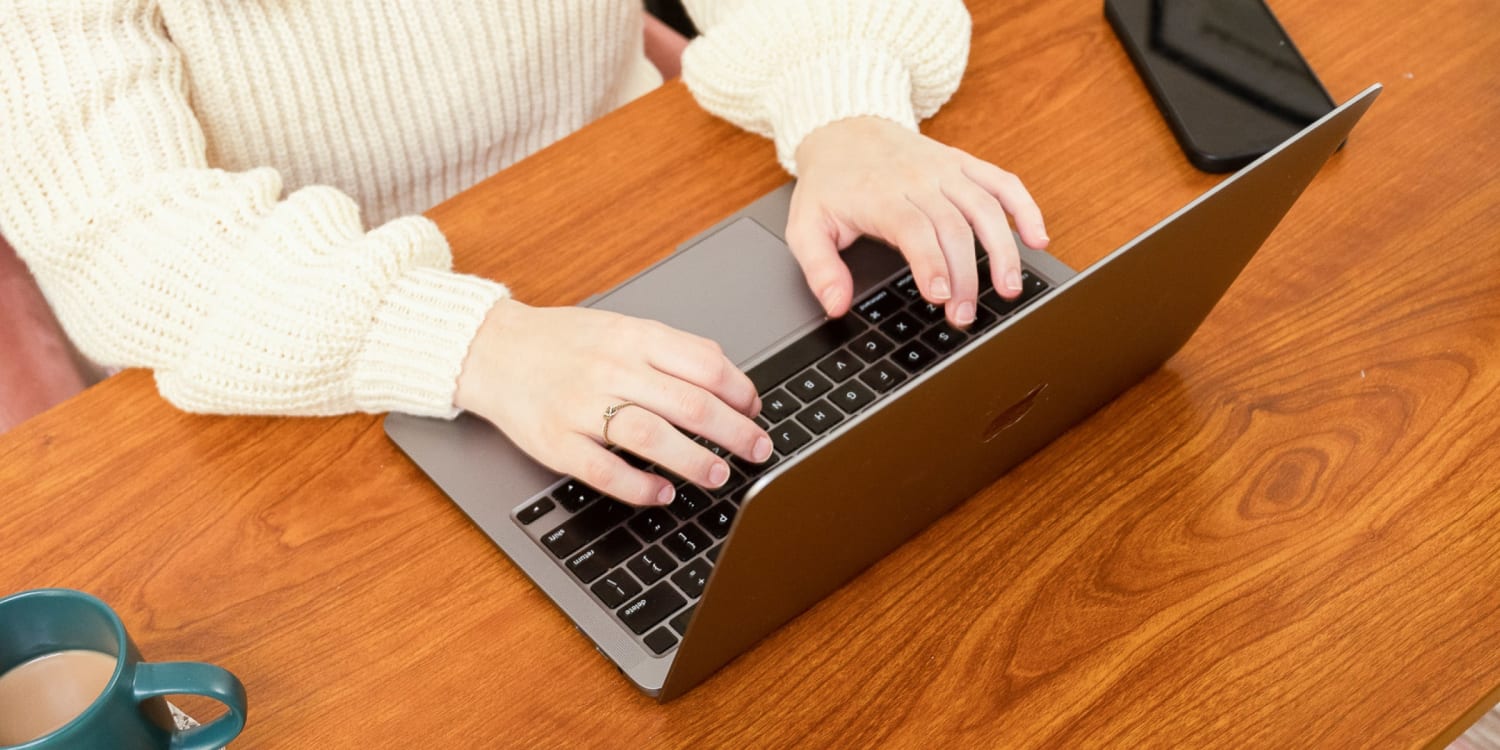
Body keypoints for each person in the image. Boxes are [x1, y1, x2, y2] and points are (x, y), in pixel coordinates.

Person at [0, 1, 1048, 507]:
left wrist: (844, 103)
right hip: (322, 352)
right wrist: (471, 341)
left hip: (640, 187)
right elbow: (129, 239)